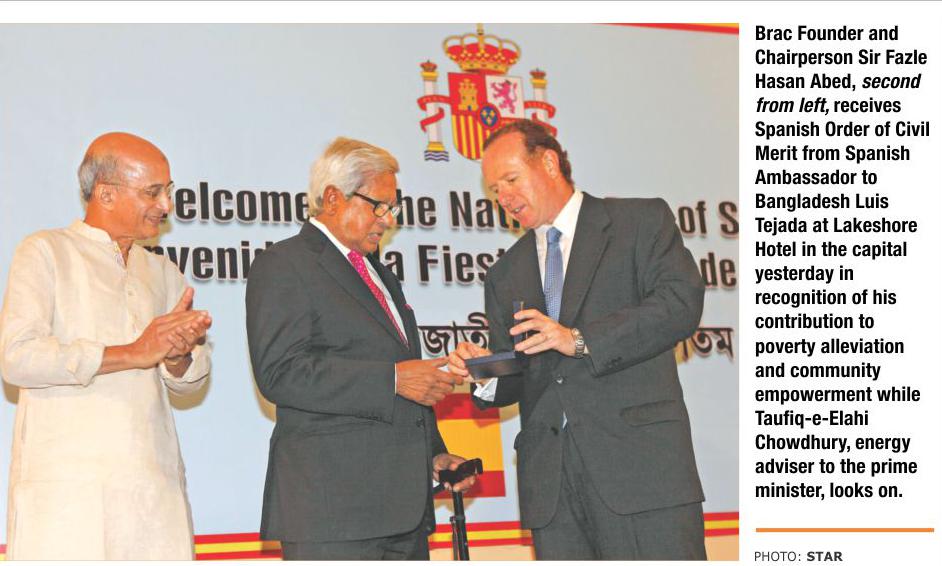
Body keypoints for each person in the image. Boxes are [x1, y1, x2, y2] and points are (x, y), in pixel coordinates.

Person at [448, 120, 707, 560]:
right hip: (553, 487)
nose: (504, 197)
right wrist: (484, 372)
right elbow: (519, 368)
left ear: (549, 163)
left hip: (640, 470)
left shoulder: (637, 222)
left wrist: (580, 339)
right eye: (494, 189)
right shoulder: (505, 273)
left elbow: (679, 304)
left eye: (511, 179)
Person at [245, 137, 473, 560]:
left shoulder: (381, 276)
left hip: (402, 512)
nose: (388, 220)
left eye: (392, 208)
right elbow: (280, 372)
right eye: (378, 206)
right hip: (333, 512)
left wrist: (433, 454)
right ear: (333, 198)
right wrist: (393, 379)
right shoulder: (285, 263)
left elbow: (402, 375)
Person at [0, 132, 212, 560]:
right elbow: (17, 358)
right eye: (152, 192)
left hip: (155, 500)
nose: (166, 205)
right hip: (68, 502)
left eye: (168, 191)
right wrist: (131, 352)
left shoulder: (163, 272)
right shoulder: (46, 251)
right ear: (106, 194)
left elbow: (191, 381)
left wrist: (178, 356)